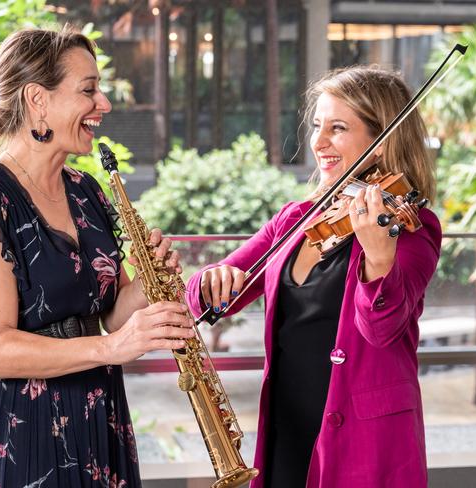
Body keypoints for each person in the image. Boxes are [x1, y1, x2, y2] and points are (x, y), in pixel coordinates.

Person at [0, 26, 194, 488]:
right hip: (18, 428)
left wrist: (147, 285)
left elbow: (109, 315)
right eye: (88, 90)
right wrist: (114, 348)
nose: (104, 104)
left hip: (97, 410)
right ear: (38, 101)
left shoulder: (85, 191)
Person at [185, 66, 441, 488]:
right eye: (318, 125)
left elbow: (382, 328)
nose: (319, 142)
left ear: (380, 143)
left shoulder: (410, 226)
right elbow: (204, 296)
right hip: (287, 428)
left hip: (364, 438)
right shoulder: (295, 219)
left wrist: (379, 255)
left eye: (338, 128)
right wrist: (215, 278)